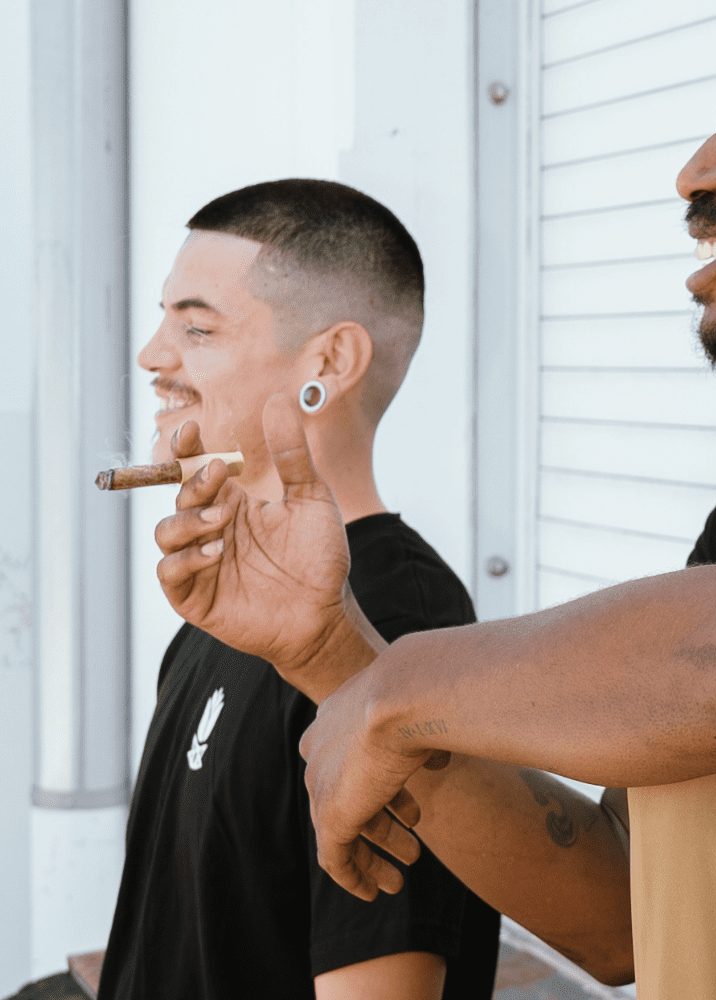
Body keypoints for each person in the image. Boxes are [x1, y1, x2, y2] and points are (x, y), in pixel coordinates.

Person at [150, 1, 716, 997]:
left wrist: (406, 686)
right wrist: (333, 654)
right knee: (701, 725)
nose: (693, 174)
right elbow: (618, 918)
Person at [71, 180, 498, 1000]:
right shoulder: (227, 596)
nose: (153, 356)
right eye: (164, 320)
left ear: (328, 362)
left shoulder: (400, 626)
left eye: (195, 327)